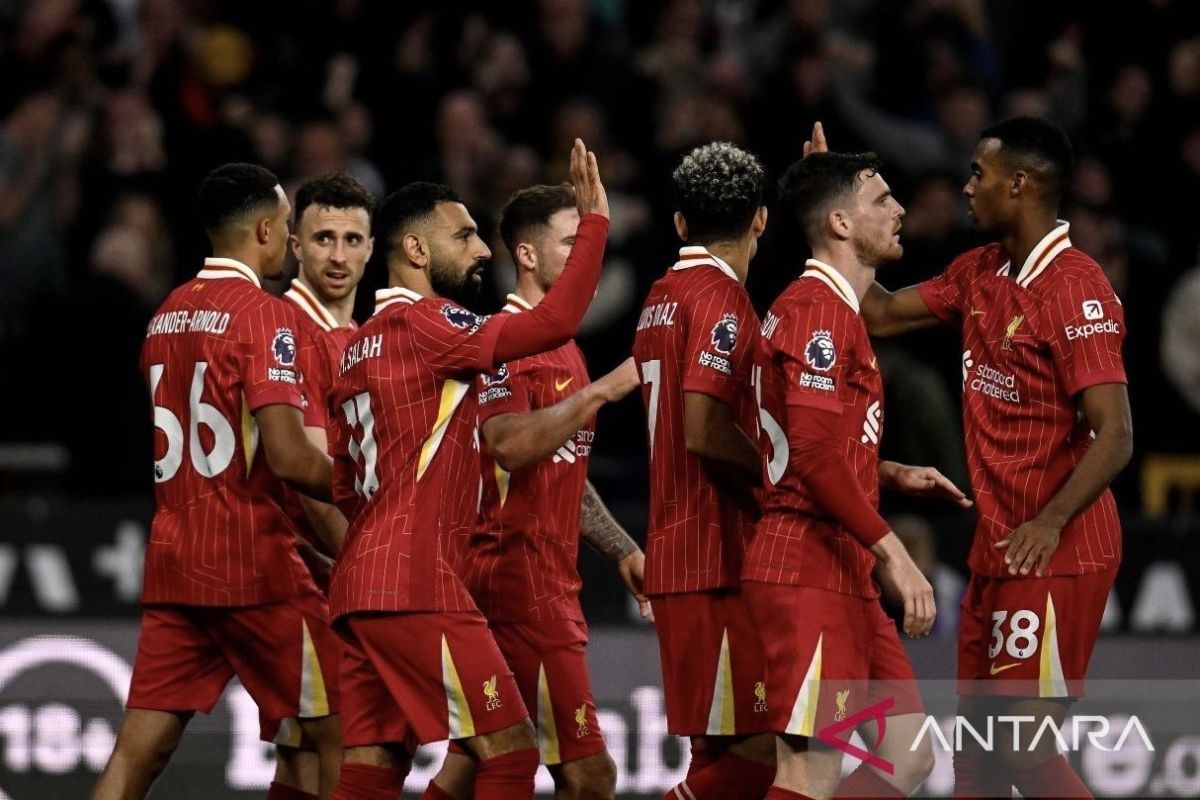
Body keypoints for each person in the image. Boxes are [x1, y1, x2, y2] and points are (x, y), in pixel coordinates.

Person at [325, 140, 611, 800]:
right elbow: (557, 319)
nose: (482, 251)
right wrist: (595, 222)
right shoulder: (432, 323)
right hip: (417, 579)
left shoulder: (357, 347)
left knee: (371, 771)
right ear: (417, 251)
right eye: (465, 235)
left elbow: (345, 484)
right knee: (509, 753)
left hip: (362, 586)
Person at [857, 116, 1133, 799]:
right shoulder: (983, 271)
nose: (967, 187)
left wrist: (1051, 520)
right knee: (977, 758)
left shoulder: (1075, 287)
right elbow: (882, 313)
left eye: (979, 175)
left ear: (1021, 184)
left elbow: (1116, 432)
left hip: (1058, 549)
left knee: (1020, 751)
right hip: (999, 548)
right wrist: (837, 234)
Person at [93, 163, 343, 800]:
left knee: (138, 752)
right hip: (253, 565)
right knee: (344, 727)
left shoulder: (165, 315)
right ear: (263, 229)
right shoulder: (264, 317)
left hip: (178, 561)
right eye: (288, 228)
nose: (291, 242)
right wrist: (369, 486)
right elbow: (288, 457)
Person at [742, 149, 971, 800]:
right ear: (840, 224)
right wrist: (894, 552)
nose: (899, 210)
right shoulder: (816, 311)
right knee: (808, 772)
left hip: (840, 564)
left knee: (907, 756)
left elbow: (816, 443)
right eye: (882, 200)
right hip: (806, 565)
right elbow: (811, 456)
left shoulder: (836, 308)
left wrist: (887, 472)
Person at [426, 183, 645, 800]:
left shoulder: (563, 348)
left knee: (472, 762)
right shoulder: (503, 342)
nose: (586, 261)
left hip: (544, 581)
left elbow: (559, 470)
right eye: (572, 244)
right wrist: (600, 393)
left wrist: (622, 549)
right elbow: (510, 446)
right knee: (590, 777)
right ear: (525, 255)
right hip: (517, 588)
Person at [630, 142, 777, 800]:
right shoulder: (722, 300)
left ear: (681, 223)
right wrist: (781, 475)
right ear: (761, 221)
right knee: (763, 756)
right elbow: (702, 426)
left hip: (677, 552)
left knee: (713, 755)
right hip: (717, 555)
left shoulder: (660, 297)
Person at [265, 172, 375, 798]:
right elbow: (309, 474)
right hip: (308, 571)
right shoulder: (287, 327)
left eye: (352, 238)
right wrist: (361, 568)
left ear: (370, 245)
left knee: (304, 756)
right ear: (295, 245)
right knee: (344, 735)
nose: (338, 255)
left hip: (328, 569)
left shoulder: (357, 340)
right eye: (323, 237)